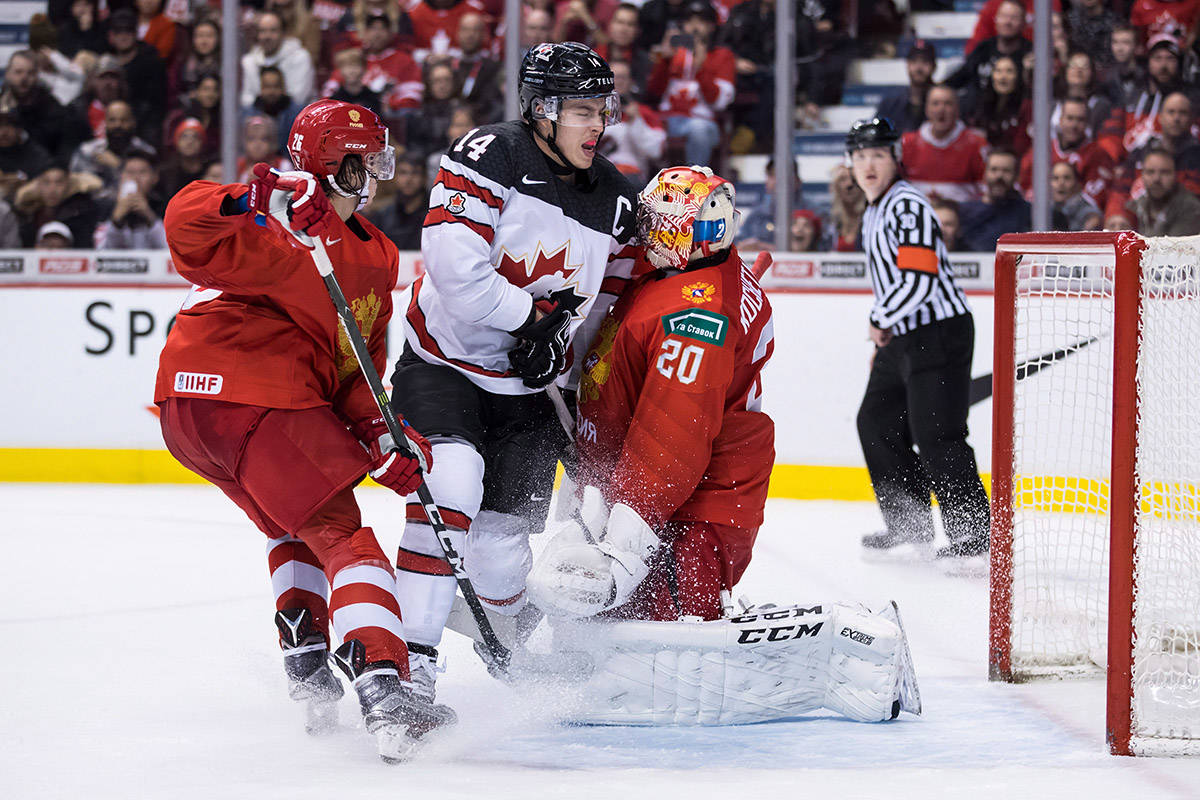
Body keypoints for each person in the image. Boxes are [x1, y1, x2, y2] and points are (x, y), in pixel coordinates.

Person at [524, 166, 919, 728]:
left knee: (671, 616)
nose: (717, 230)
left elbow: (672, 433)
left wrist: (625, 536)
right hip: (659, 475)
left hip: (703, 484)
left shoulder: (695, 312)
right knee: (616, 613)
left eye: (716, 219)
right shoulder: (680, 275)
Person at [154, 99, 455, 762]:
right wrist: (251, 200)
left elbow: (357, 370)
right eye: (367, 155)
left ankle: (308, 660)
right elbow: (183, 222)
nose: (380, 166)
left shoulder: (375, 252)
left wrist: (380, 433)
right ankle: (385, 682)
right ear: (331, 162)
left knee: (292, 524)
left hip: (192, 406)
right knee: (344, 536)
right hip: (252, 396)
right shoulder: (275, 219)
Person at [387, 42, 637, 699]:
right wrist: (530, 321)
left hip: (530, 389)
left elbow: (616, 295)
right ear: (541, 111)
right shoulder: (491, 153)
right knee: (452, 488)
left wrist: (569, 360)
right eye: (583, 110)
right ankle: (409, 666)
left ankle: (508, 650)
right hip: (444, 364)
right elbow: (453, 268)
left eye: (602, 109)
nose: (598, 124)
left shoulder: (613, 198)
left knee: (500, 554)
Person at [846, 117, 990, 560]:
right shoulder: (874, 210)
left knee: (937, 433)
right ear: (849, 163)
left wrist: (879, 319)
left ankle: (974, 535)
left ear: (895, 159)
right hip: (901, 337)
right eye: (861, 156)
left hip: (938, 331)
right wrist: (882, 341)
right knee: (876, 422)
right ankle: (909, 522)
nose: (869, 164)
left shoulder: (907, 205)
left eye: (878, 155)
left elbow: (919, 279)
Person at [645, 0, 735, 166]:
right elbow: (654, 92)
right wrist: (664, 61)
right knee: (643, 126)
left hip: (703, 120)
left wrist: (700, 68)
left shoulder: (722, 55)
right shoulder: (673, 52)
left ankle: (695, 180)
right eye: (689, 21)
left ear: (712, 26)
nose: (694, 27)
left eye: (701, 22)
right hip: (668, 118)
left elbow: (719, 102)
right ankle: (652, 182)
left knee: (698, 129)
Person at [901, 85, 988, 203]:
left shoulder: (976, 144)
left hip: (964, 218)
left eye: (948, 104)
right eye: (935, 103)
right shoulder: (907, 143)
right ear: (927, 109)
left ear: (957, 109)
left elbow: (986, 192)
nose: (941, 109)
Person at [957, 149, 1032, 251]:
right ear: (985, 174)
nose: (999, 176)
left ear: (1017, 176)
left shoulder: (1028, 213)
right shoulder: (964, 212)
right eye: (994, 169)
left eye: (1006, 171)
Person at [240, 10, 315, 109]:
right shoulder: (248, 61)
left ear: (283, 33)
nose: (267, 36)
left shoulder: (300, 57)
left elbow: (298, 98)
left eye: (273, 30)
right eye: (262, 31)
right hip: (258, 117)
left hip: (294, 115)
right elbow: (246, 99)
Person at [94, 149, 167, 248]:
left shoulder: (165, 207)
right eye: (130, 172)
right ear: (120, 176)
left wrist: (150, 217)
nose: (136, 178)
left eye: (142, 172)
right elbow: (99, 252)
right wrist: (116, 220)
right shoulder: (104, 206)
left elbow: (169, 250)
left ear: (155, 177)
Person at [1126, 146, 1200, 236]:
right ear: (1142, 175)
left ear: (1175, 175)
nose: (1156, 179)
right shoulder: (1135, 206)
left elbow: (1174, 248)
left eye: (1164, 172)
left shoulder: (1190, 208)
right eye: (1150, 172)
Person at [366, 151, 426, 249]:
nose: (409, 179)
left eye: (415, 173)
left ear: (424, 177)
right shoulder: (382, 215)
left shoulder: (434, 215)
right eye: (403, 173)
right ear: (395, 177)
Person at [875, 40, 936, 135]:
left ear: (934, 66)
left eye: (925, 61)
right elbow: (876, 135)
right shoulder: (890, 103)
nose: (919, 68)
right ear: (907, 65)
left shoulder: (942, 103)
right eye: (914, 61)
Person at [1050, 161, 1103, 231]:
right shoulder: (1042, 211)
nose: (1061, 183)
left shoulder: (1089, 215)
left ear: (1077, 184)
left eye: (1067, 178)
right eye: (1055, 178)